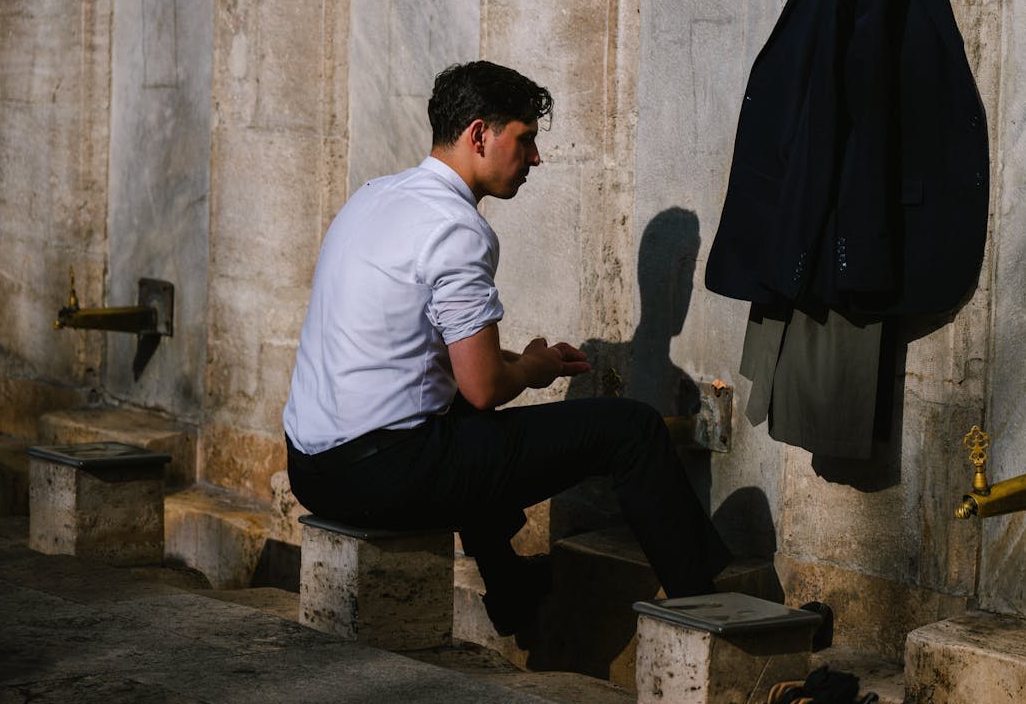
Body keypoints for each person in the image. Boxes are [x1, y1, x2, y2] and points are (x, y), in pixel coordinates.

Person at [282, 60, 731, 636]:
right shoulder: (456, 228)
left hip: (311, 469)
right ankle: (712, 618)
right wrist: (533, 370)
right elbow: (483, 388)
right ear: (479, 135)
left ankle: (511, 590)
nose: (536, 158)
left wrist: (522, 360)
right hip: (381, 477)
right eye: (526, 139)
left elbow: (422, 356)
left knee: (459, 424)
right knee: (634, 430)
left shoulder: (373, 196)